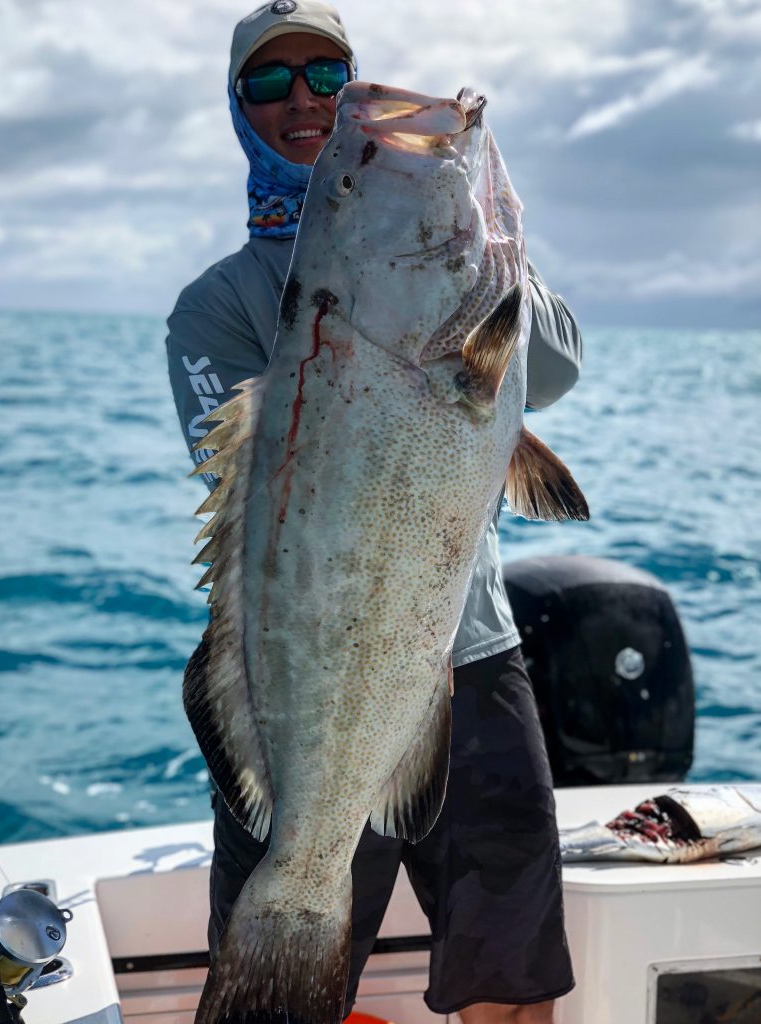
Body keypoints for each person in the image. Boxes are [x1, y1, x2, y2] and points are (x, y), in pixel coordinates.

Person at [166, 3, 582, 1021]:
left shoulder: (479, 281)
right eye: (269, 82)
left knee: (514, 987)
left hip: (473, 656)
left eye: (325, 73)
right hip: (307, 691)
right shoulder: (217, 304)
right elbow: (257, 488)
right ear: (238, 108)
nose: (302, 99)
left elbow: (559, 366)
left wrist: (485, 251)